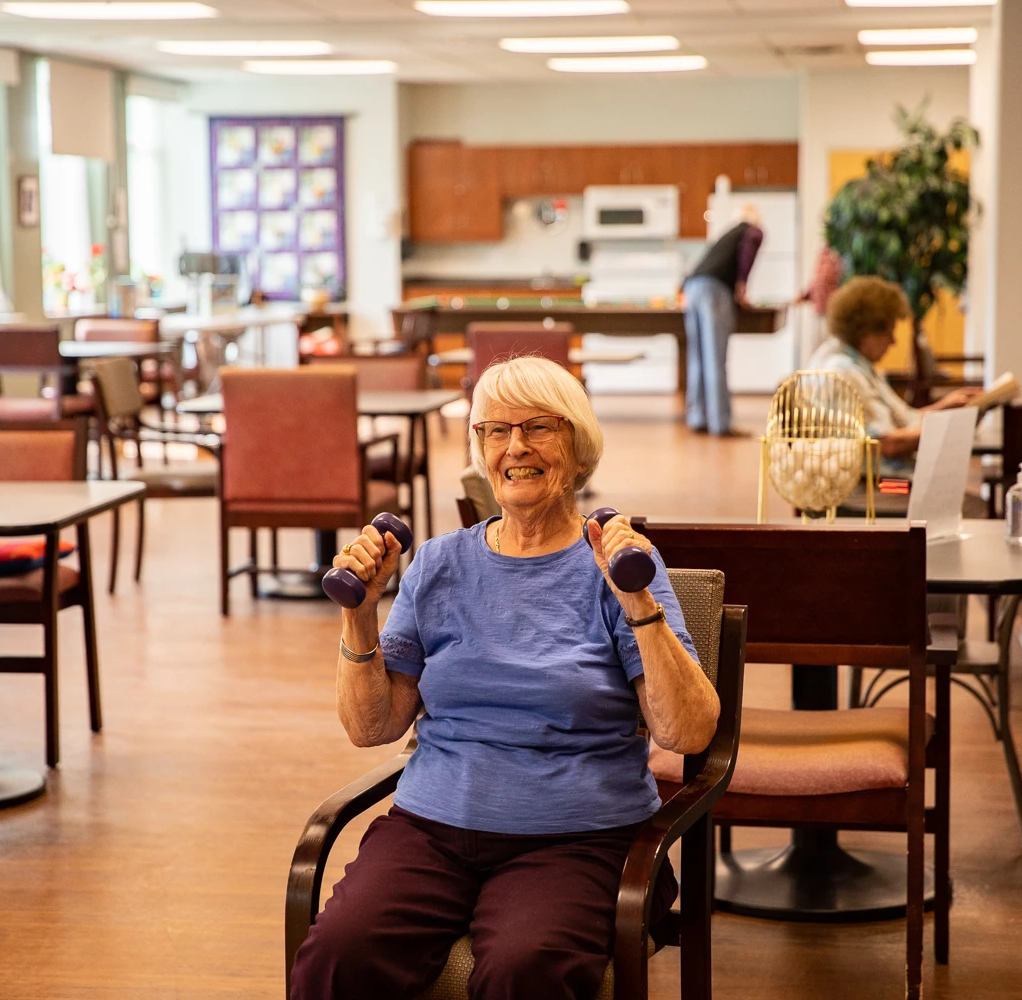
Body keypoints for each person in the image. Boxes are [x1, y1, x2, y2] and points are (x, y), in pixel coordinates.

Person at [289, 356, 720, 1000]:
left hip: (576, 837)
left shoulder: (621, 563)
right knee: (337, 954)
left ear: (577, 450)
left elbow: (686, 730)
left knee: (526, 969)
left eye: (538, 428)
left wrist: (638, 606)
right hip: (431, 827)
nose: (515, 447)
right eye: (494, 431)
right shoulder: (437, 563)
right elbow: (371, 726)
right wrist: (359, 617)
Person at [807, 275, 980, 477]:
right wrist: (951, 426)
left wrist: (947, 407)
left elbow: (904, 421)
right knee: (964, 498)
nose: (893, 341)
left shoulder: (853, 362)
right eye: (888, 332)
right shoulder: (844, 373)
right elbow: (887, 444)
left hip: (880, 480)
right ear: (866, 332)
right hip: (874, 488)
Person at [682, 205, 764, 437]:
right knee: (715, 357)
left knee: (697, 357)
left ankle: (698, 417)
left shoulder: (727, 234)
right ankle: (721, 424)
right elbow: (748, 253)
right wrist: (742, 286)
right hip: (714, 291)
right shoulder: (753, 230)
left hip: (693, 287)